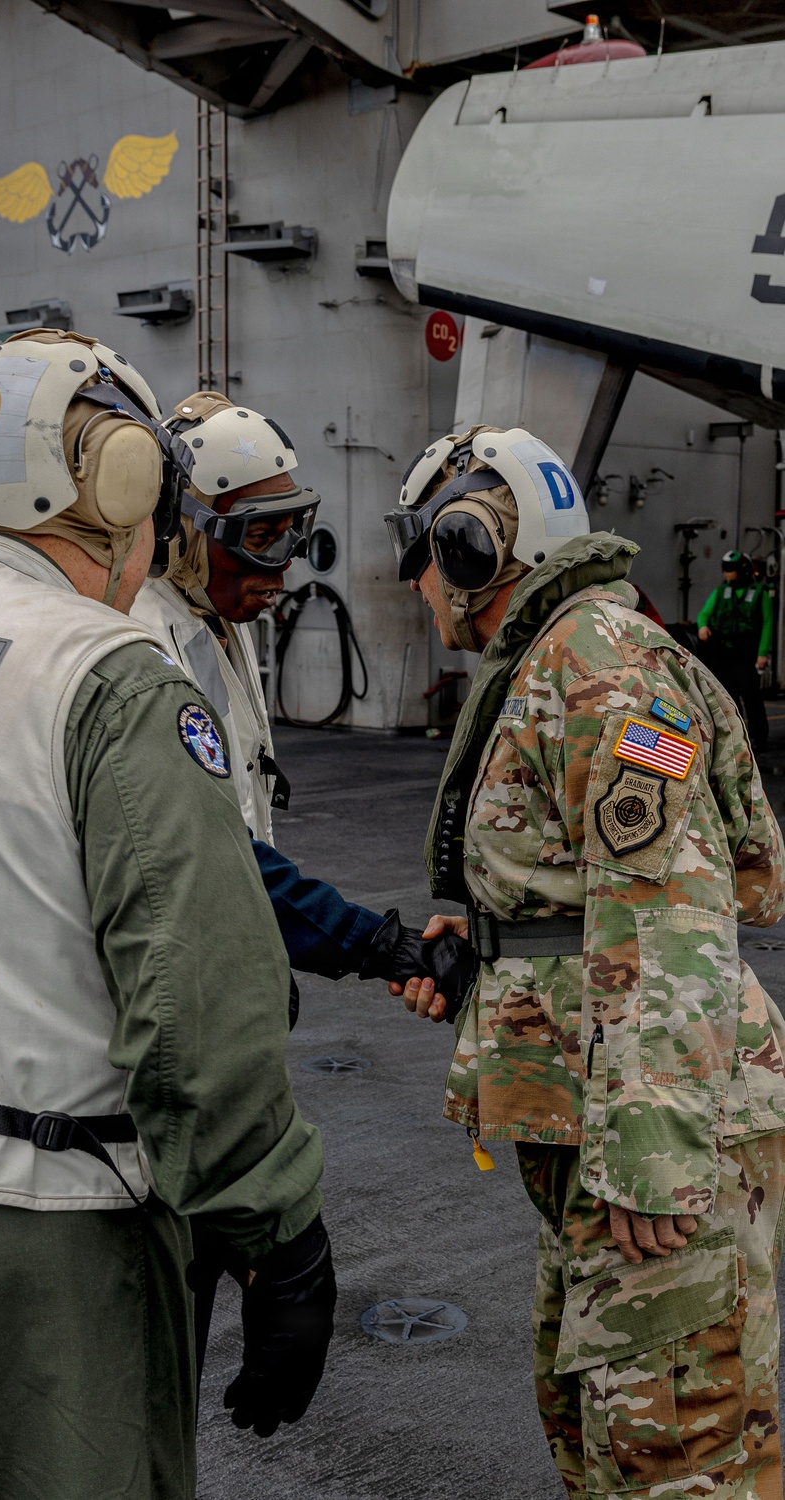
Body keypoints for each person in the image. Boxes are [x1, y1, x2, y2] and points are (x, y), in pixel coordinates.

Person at [0, 329, 337, 1500]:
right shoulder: (107, 678)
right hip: (25, 1253)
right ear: (122, 479)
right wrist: (277, 1236)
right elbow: (195, 1007)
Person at [384, 424, 785, 1499]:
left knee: (681, 1458)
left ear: (474, 543)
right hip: (590, 1111)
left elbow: (672, 912)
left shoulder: (600, 667)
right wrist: (491, 950)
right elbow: (582, 889)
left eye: (423, 549)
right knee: (600, 1435)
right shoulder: (553, 659)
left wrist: (653, 1151)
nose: (415, 580)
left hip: (651, 1122)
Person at [134, 390, 474, 1381]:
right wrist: (380, 945)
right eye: (256, 538)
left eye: (292, 534)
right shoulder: (147, 645)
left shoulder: (211, 620)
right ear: (183, 532)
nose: (278, 569)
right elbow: (222, 862)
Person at [697, 549, 772, 750]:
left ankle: (759, 738)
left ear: (743, 570)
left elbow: (767, 624)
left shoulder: (759, 593)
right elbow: (704, 614)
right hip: (724, 654)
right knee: (728, 697)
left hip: (747, 653)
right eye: (725, 569)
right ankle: (734, 736)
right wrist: (702, 626)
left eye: (730, 570)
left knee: (751, 696)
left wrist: (762, 653)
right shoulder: (722, 591)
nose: (726, 574)